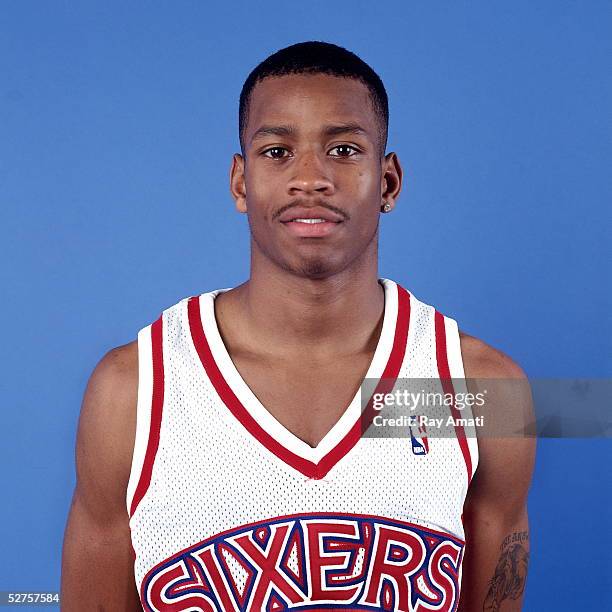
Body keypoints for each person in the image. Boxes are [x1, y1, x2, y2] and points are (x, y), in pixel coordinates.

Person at [61, 41, 535, 611]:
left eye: (342, 149)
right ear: (240, 182)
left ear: (388, 182)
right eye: (277, 151)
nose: (310, 177)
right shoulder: (133, 392)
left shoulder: (482, 388)